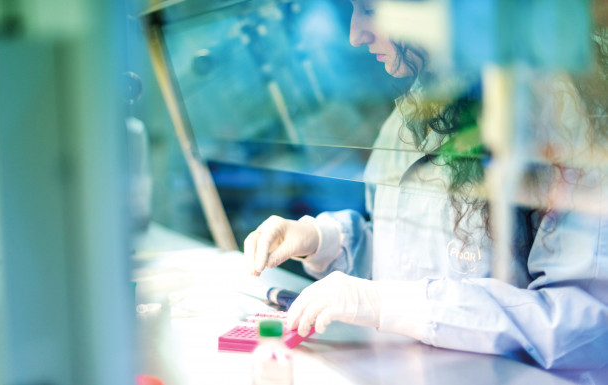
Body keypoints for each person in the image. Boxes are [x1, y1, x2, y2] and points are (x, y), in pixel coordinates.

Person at [244, 0, 608, 370]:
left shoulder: (562, 115)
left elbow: (583, 322)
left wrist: (397, 305)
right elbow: (402, 257)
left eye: (369, 9)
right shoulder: (414, 110)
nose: (355, 35)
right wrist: (321, 240)